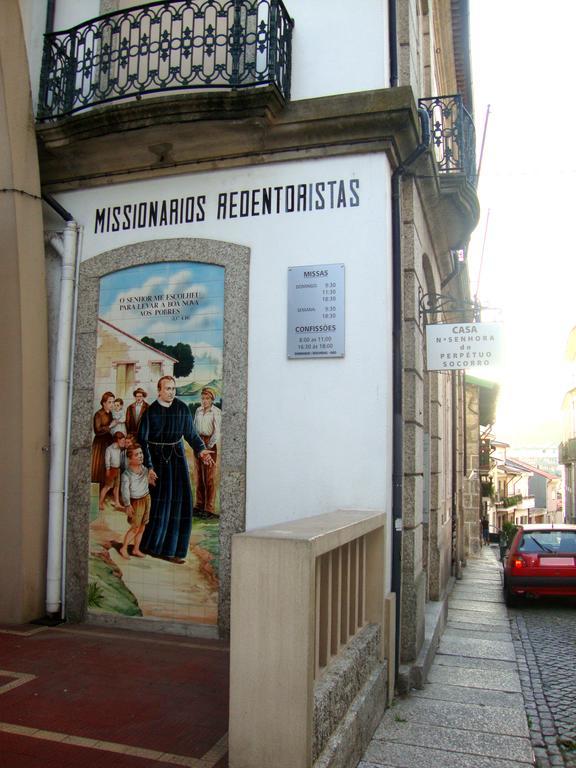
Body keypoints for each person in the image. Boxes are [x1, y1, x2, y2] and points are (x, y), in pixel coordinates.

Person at [137, 375, 214, 563]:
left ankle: (175, 550)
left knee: (182, 502)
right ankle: (152, 546)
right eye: (168, 389)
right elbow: (142, 441)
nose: (172, 392)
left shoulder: (181, 408)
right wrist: (149, 467)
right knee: (160, 504)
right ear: (159, 391)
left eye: (173, 388)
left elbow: (190, 434)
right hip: (157, 461)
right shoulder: (150, 412)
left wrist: (202, 451)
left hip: (177, 459)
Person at [193, 387, 221, 520]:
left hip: (209, 443)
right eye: (203, 398)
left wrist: (208, 447)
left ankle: (209, 508)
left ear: (212, 399)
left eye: (207, 398)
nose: (204, 401)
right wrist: (198, 445)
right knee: (198, 476)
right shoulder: (198, 410)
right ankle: (199, 505)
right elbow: (194, 427)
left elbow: (217, 432)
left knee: (209, 477)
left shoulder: (216, 412)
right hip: (199, 442)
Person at [119, 444, 150, 559]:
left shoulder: (145, 469)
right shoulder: (126, 475)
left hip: (146, 498)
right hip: (136, 502)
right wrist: (127, 504)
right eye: (137, 455)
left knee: (142, 527)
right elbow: (125, 491)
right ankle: (124, 548)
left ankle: (136, 549)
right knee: (135, 527)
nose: (141, 456)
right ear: (130, 459)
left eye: (141, 453)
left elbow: (148, 481)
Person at [91, 391, 115, 485]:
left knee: (108, 465)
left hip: (108, 442)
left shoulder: (110, 413)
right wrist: (110, 426)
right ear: (104, 403)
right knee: (99, 465)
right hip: (100, 444)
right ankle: (97, 490)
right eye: (110, 402)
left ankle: (106, 487)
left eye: (113, 402)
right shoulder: (98, 414)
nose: (112, 404)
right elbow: (97, 430)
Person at [99, 431, 127, 510]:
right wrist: (108, 469)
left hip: (117, 470)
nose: (123, 442)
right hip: (111, 469)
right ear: (117, 440)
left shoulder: (120, 449)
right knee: (107, 487)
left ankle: (117, 503)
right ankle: (100, 503)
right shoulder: (109, 449)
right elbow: (107, 460)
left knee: (117, 487)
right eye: (122, 441)